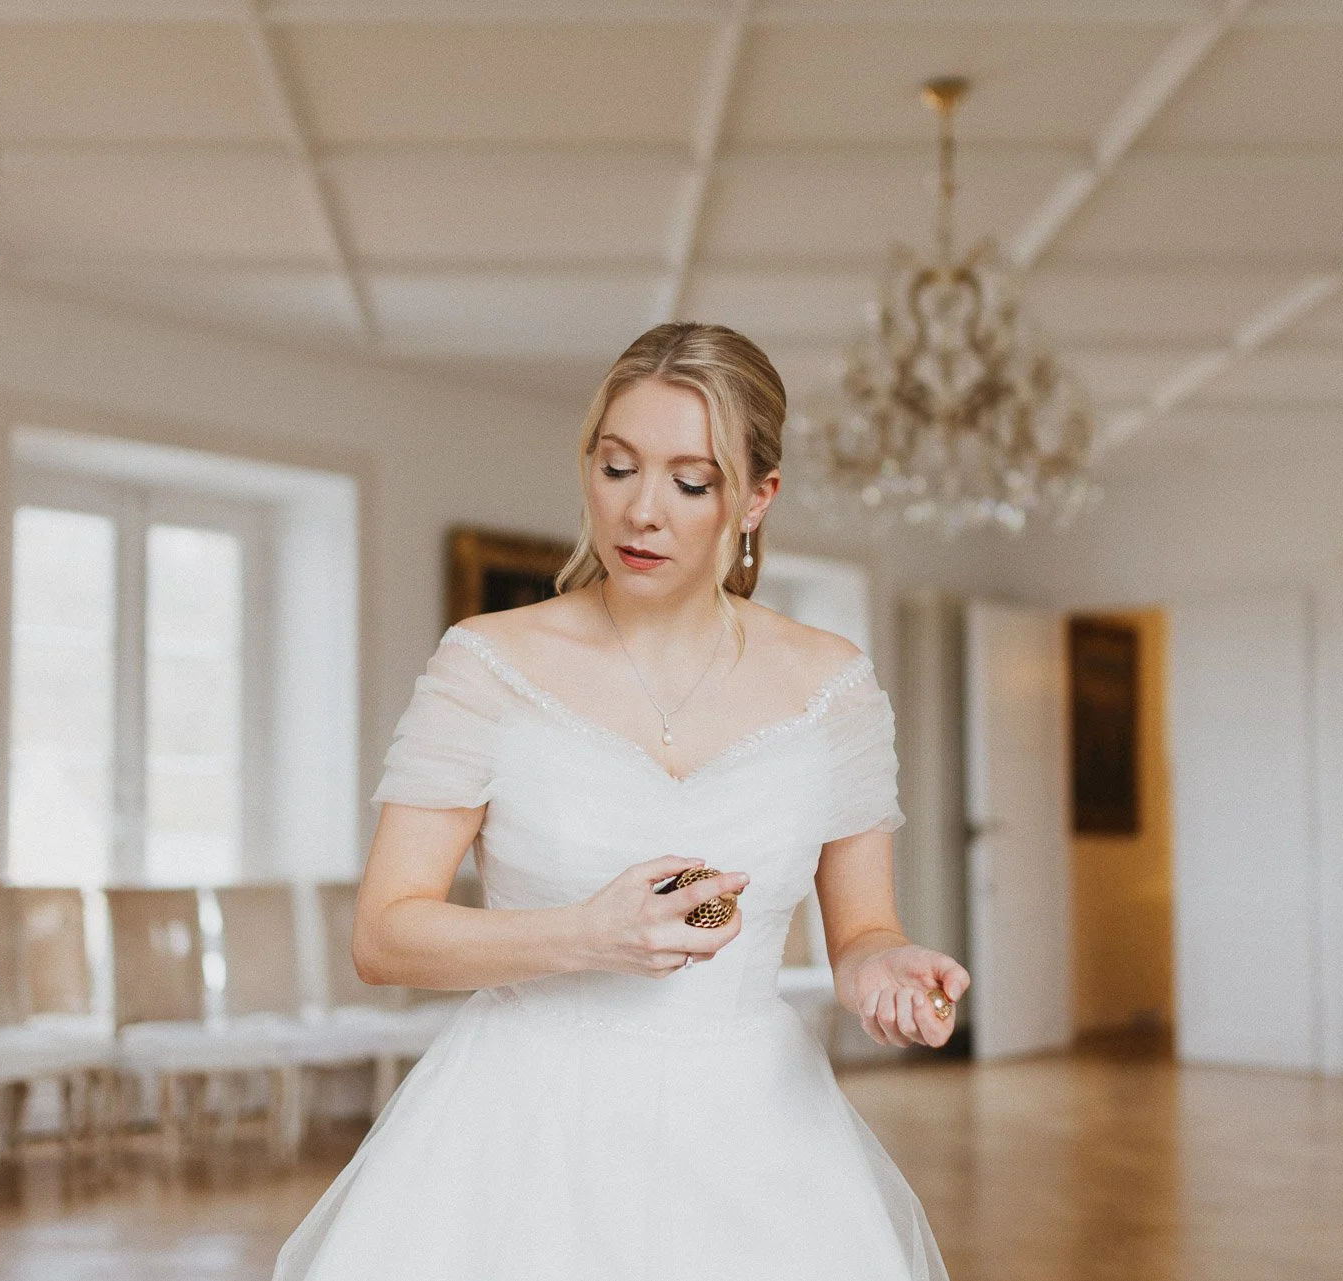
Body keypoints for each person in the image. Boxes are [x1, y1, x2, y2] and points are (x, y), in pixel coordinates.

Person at [273, 321, 967, 1281]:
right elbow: (384, 935)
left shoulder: (833, 688)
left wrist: (888, 971)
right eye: (616, 467)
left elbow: (861, 934)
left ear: (757, 498)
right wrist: (589, 935)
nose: (642, 511)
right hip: (520, 1129)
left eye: (690, 482)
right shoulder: (488, 663)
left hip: (758, 1132)